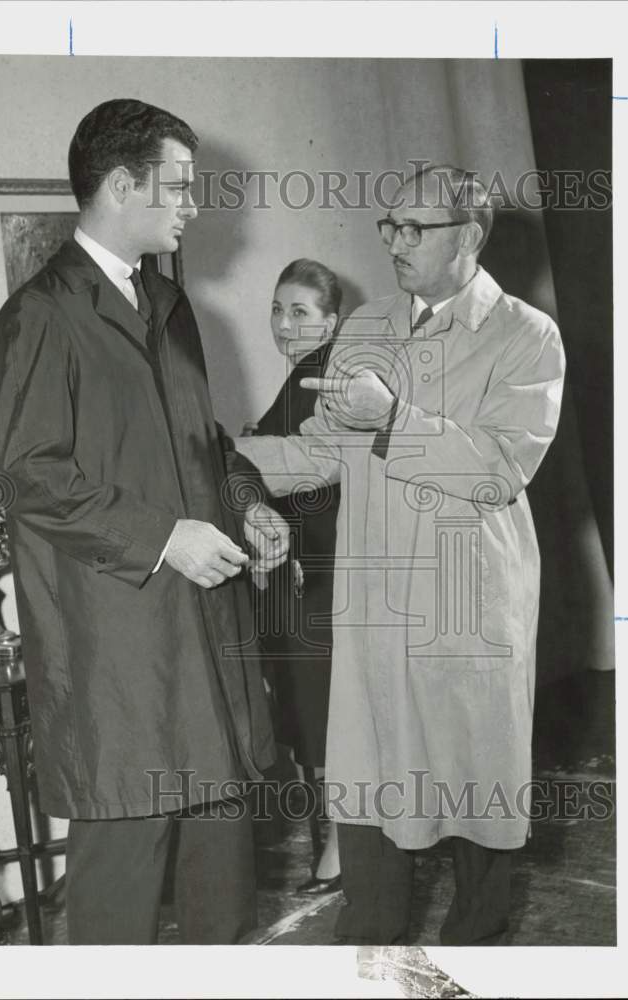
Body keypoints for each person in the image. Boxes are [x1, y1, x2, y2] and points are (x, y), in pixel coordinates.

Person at [0, 98, 289, 945]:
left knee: (222, 879)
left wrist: (248, 503)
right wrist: (164, 537)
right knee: (120, 886)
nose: (194, 205)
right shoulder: (41, 316)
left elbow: (205, 443)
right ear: (122, 185)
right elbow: (30, 476)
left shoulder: (170, 302)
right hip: (119, 649)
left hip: (205, 633)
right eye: (180, 186)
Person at [236, 164, 566, 945]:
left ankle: (475, 955)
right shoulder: (366, 326)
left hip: (466, 606)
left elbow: (495, 470)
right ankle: (372, 959)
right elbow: (320, 449)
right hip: (373, 610)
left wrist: (389, 422)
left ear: (470, 237)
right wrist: (223, 461)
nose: (394, 242)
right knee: (370, 790)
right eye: (388, 226)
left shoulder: (526, 333)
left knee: (475, 802)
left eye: (415, 228)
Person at [252, 259, 343, 894]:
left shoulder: (324, 377)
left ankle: (342, 847)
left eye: (301, 312)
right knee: (311, 711)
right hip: (303, 571)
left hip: (326, 572)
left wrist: (235, 449)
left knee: (323, 711)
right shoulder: (302, 376)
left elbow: (307, 468)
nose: (285, 323)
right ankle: (338, 842)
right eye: (279, 309)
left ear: (331, 322)